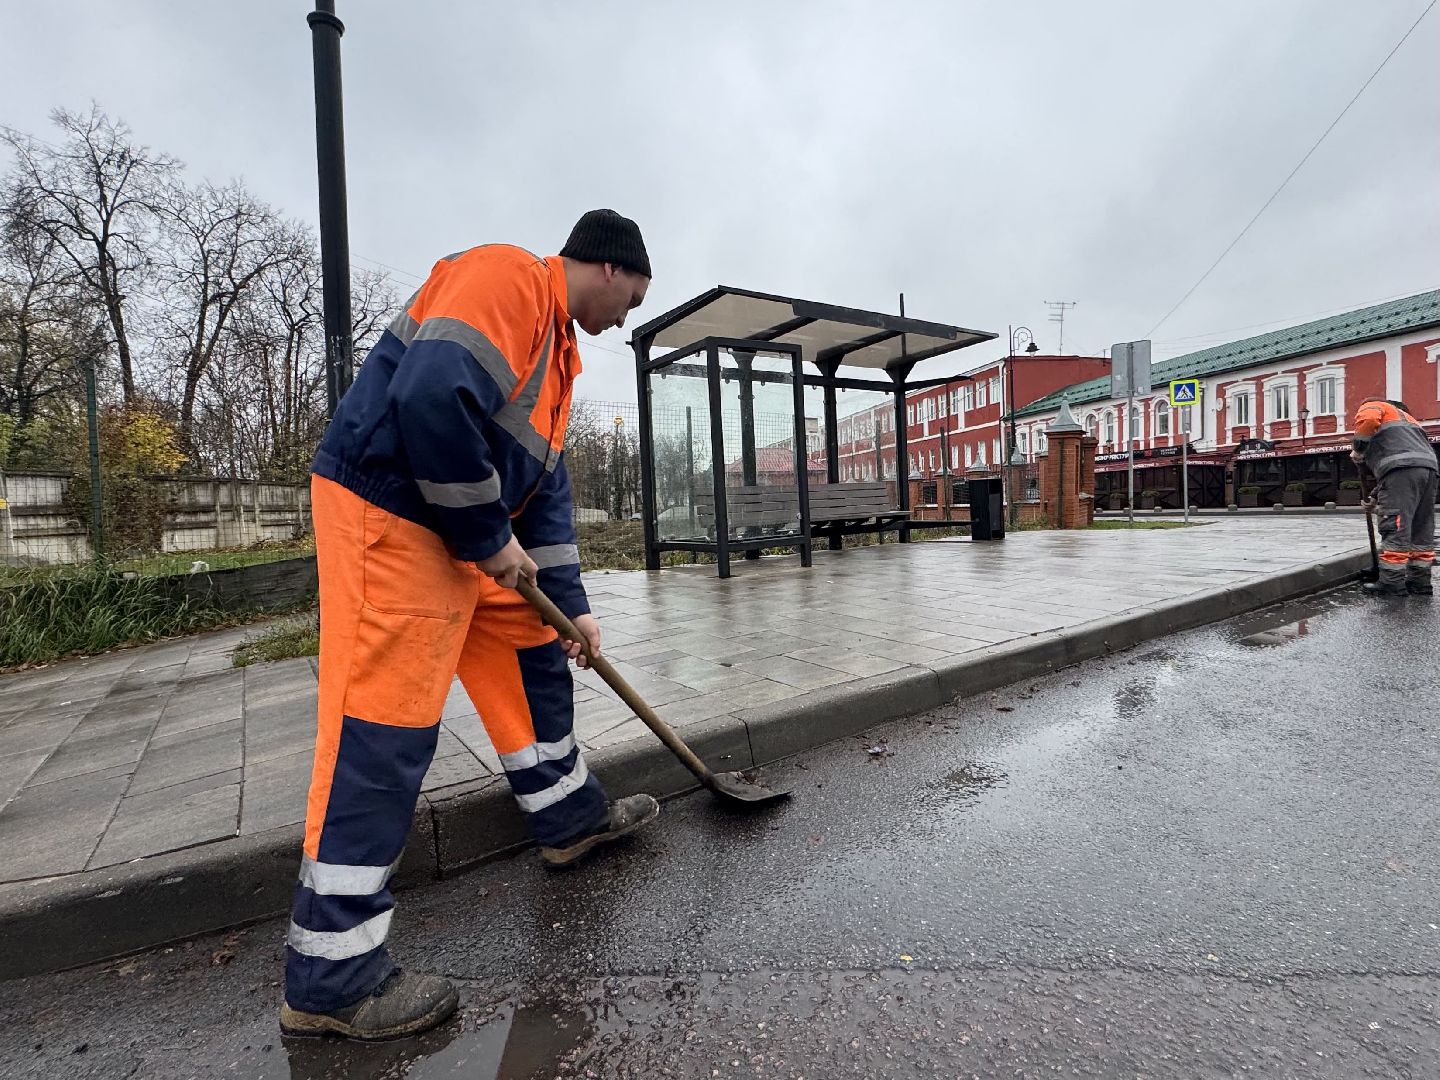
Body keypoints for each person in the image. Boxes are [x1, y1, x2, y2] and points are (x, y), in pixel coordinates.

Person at [280, 210, 657, 1041]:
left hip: (460, 532)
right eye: (631, 299)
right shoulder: (508, 278)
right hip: (393, 511)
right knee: (385, 727)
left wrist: (575, 607)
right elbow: (428, 398)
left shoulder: (557, 360)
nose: (625, 318)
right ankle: (332, 976)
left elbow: (544, 500)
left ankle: (568, 820)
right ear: (604, 267)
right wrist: (490, 539)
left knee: (535, 655)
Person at [1350, 397, 1437, 597]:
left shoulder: (1374, 406)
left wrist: (1358, 449)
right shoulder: (1408, 420)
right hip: (1428, 470)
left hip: (1401, 470)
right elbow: (1397, 474)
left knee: (1395, 524)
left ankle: (1391, 583)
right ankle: (1419, 582)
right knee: (1421, 526)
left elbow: (1369, 420)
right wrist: (1374, 496)